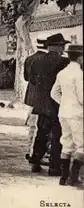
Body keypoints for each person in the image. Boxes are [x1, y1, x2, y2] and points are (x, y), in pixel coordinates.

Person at [30, 33, 70, 176]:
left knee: (41, 133)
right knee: (57, 135)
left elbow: (32, 80)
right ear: (58, 46)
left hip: (41, 104)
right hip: (56, 104)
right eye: (63, 46)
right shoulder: (64, 62)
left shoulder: (37, 60)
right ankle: (54, 167)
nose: (63, 49)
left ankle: (35, 161)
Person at [51, 44, 83, 187]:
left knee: (67, 144)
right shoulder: (79, 74)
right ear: (80, 57)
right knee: (81, 146)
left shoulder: (62, 73)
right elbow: (82, 97)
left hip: (63, 113)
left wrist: (64, 103)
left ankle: (63, 178)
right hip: (77, 114)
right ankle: (73, 178)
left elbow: (54, 93)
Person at [24, 36, 49, 163]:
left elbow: (26, 78)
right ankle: (36, 152)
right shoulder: (47, 60)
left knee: (32, 125)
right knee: (41, 126)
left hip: (31, 95)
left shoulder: (29, 59)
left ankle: (29, 150)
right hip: (44, 98)